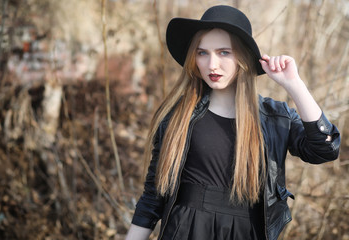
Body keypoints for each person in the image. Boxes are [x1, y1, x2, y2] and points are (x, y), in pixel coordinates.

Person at [125, 5, 341, 240]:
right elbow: (153, 196)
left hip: (248, 232)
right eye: (202, 52)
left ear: (244, 57)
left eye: (224, 52)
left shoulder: (275, 117)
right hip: (187, 231)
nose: (212, 64)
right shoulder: (178, 116)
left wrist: (294, 84)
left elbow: (325, 149)